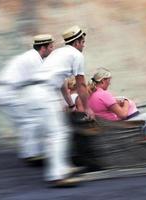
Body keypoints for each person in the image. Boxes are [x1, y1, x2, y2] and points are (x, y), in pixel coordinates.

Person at [22, 25, 93, 187]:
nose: (83, 45)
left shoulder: (58, 53)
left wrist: (69, 104)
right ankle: (57, 176)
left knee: (58, 131)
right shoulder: (76, 55)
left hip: (34, 93)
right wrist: (87, 108)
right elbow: (81, 85)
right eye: (83, 42)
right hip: (44, 92)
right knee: (58, 133)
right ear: (77, 42)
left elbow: (61, 84)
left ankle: (61, 167)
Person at [0, 34, 54, 163]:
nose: (52, 50)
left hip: (5, 91)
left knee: (28, 121)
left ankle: (31, 152)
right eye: (51, 47)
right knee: (30, 121)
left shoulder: (32, 56)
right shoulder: (34, 60)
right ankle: (31, 155)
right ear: (43, 48)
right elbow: (42, 84)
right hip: (6, 92)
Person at [88, 68, 146, 140]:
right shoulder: (104, 94)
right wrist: (126, 102)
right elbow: (123, 115)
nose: (110, 83)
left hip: (104, 126)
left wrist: (115, 101)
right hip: (117, 129)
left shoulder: (90, 94)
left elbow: (102, 107)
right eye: (109, 80)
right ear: (103, 81)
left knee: (140, 113)